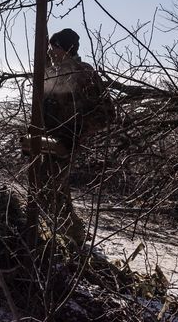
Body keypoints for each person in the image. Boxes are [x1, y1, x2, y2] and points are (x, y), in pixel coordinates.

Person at [39, 28, 110, 245]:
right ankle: (66, 233)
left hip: (67, 140)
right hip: (50, 139)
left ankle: (73, 236)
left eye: (55, 47)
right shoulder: (55, 72)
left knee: (51, 186)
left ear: (66, 49)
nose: (51, 52)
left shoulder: (83, 73)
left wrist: (76, 135)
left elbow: (106, 113)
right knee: (47, 186)